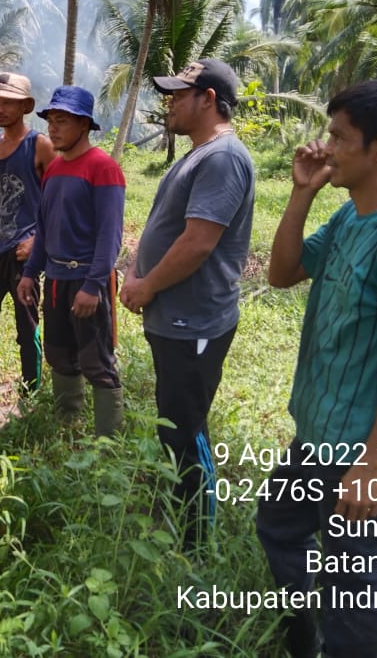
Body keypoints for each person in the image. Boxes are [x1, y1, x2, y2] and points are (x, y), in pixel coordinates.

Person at [258, 77, 377, 657]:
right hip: (318, 432)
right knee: (279, 524)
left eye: (339, 137)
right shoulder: (348, 219)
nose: (327, 147)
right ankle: (304, 640)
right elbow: (282, 273)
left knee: (353, 591)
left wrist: (371, 465)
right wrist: (301, 194)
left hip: (356, 449)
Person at [119, 58, 255, 550]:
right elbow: (165, 224)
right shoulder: (195, 155)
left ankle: (197, 543)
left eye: (180, 93)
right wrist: (136, 272)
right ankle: (183, 509)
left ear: (208, 99)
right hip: (174, 318)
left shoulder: (223, 158)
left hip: (194, 320)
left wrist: (148, 285)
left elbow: (198, 243)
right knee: (175, 424)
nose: (170, 101)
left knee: (186, 429)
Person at [15, 86, 125, 436]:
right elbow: (45, 229)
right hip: (57, 280)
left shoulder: (103, 168)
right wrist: (30, 273)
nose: (53, 128)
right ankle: (67, 426)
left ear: (83, 125)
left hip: (87, 279)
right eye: (51, 121)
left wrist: (93, 285)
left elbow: (111, 235)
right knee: (59, 354)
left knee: (96, 361)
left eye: (62, 121)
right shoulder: (55, 169)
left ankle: (108, 442)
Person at [0, 73, 55, 392]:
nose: (0, 109)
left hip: (23, 256)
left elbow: (57, 198)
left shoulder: (39, 145)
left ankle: (29, 391)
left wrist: (38, 242)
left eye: (8, 102)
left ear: (24, 107)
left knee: (27, 327)